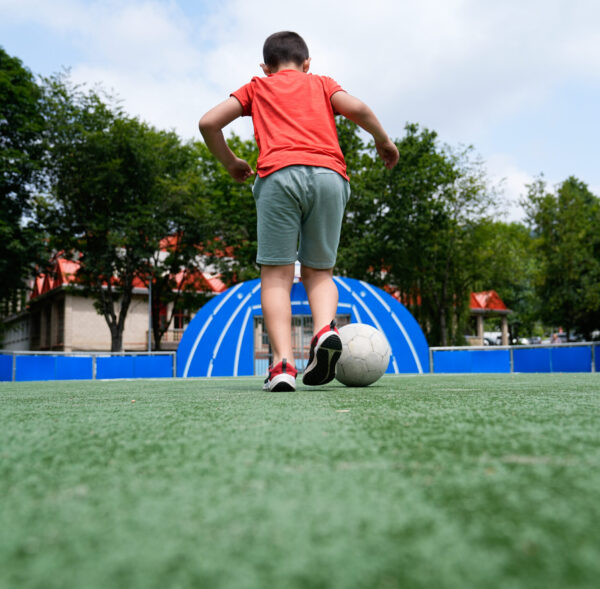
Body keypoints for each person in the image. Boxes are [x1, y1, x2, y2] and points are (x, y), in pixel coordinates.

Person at [199, 31, 399, 391]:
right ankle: (324, 330)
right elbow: (359, 109)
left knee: (276, 275)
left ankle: (282, 365)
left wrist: (230, 162)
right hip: (329, 177)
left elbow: (208, 122)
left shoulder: (256, 87)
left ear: (265, 66)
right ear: (307, 63)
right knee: (319, 272)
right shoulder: (322, 84)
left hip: (278, 177)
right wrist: (382, 140)